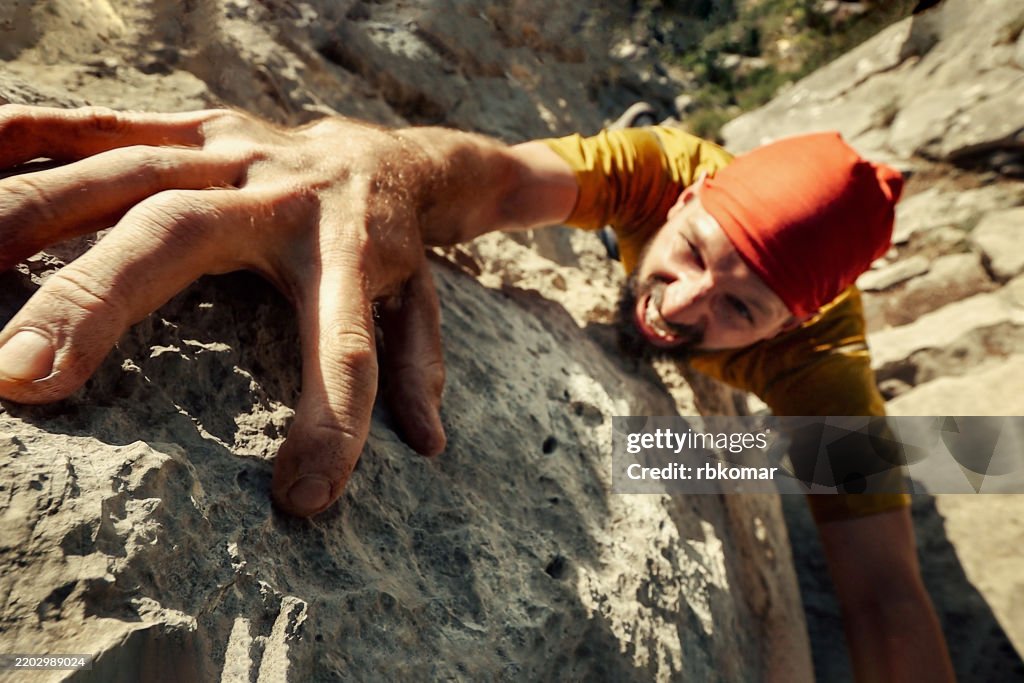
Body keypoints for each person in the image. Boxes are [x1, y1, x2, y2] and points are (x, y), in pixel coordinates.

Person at [0, 105, 954, 681]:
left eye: (741, 309)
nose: (682, 304)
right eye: (693, 252)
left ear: (790, 329)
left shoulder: (825, 369)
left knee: (842, 458)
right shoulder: (666, 168)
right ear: (691, 202)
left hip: (815, 416)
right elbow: (497, 183)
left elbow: (881, 590)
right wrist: (377, 172)